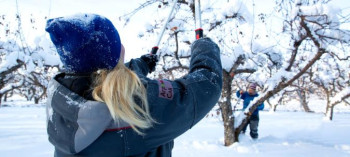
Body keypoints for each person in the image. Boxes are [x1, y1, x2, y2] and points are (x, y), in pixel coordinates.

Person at [45, 13, 223, 157]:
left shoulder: (63, 100)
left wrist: (143, 63)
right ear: (112, 54)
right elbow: (206, 84)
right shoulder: (136, 105)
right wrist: (204, 46)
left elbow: (110, 78)